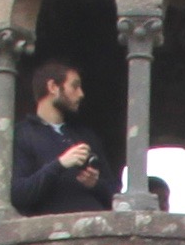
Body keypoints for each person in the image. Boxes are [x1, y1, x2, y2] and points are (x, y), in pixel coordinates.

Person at [9, 59, 115, 217]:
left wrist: (95, 184)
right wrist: (60, 164)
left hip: (97, 231)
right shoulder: (22, 134)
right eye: (74, 86)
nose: (81, 94)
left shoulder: (85, 135)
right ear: (53, 87)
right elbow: (18, 194)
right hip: (52, 234)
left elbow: (116, 194)